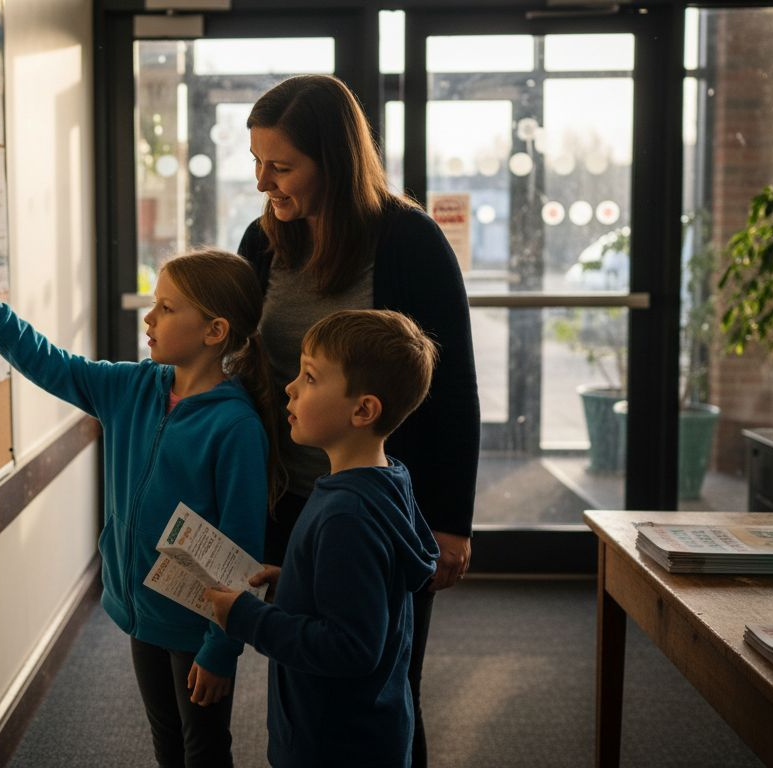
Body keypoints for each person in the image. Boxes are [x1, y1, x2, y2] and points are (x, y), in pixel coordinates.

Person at [0, 246, 281, 768]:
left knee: (203, 750)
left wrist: (221, 650)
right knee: (167, 743)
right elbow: (50, 363)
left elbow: (241, 550)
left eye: (168, 308)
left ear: (215, 331)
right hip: (141, 611)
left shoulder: (235, 427)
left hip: (198, 628)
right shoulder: (132, 387)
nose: (150, 318)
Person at [236, 74, 480, 767]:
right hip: (294, 504)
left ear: (335, 162)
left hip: (376, 507)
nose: (263, 183)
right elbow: (244, 361)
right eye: (256, 163)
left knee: (386, 688)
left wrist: (452, 522)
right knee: (307, 685)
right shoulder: (264, 242)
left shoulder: (409, 243)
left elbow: (454, 389)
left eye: (280, 167)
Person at [204, 309, 440, 768]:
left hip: (336, 743)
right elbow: (362, 594)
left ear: (363, 409)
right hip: (359, 728)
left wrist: (247, 619)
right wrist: (294, 578)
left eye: (310, 377)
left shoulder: (347, 515)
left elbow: (350, 647)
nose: (290, 387)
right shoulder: (383, 481)